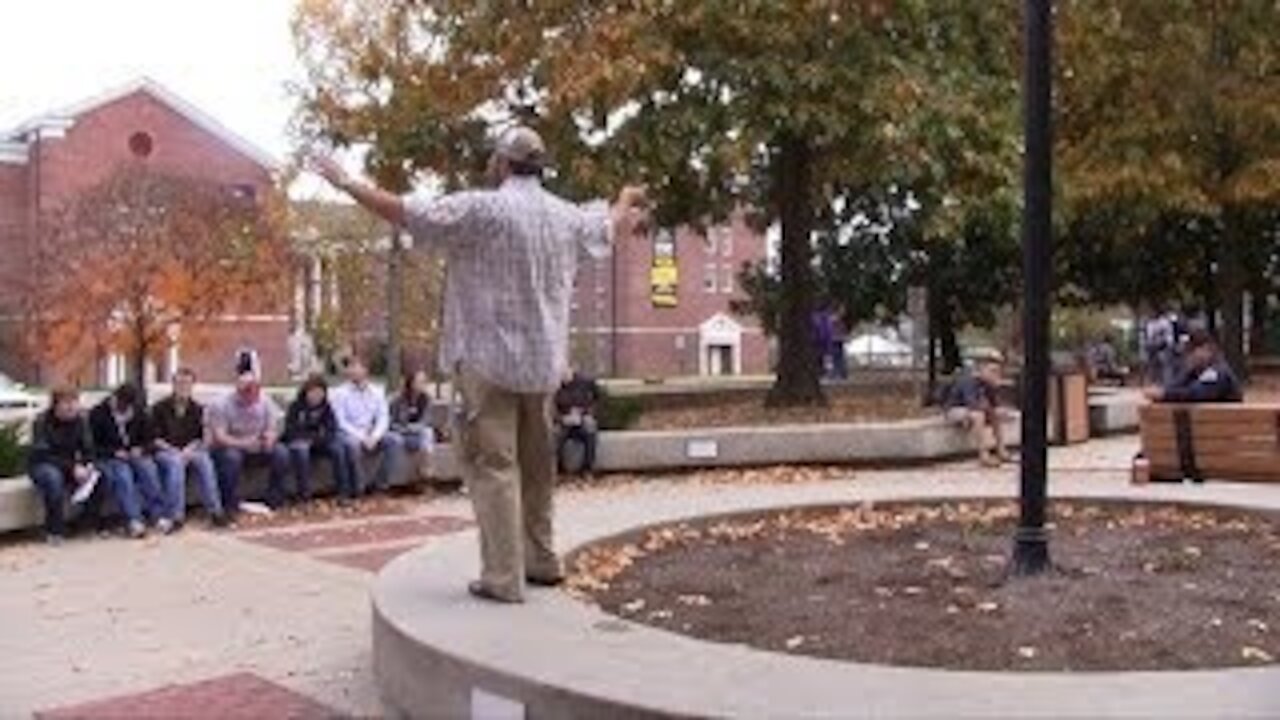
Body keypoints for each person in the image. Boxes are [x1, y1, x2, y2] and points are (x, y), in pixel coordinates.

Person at [313, 125, 646, 603]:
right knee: (537, 465)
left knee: (495, 467)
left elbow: (408, 213)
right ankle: (541, 559)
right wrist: (623, 199)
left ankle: (503, 576)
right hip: (542, 365)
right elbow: (606, 227)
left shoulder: (482, 209)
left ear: (502, 163)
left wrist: (346, 183)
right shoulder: (564, 216)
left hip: (486, 362)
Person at [88, 384, 168, 537]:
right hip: (110, 457)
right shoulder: (98, 414)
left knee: (148, 468)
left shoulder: (139, 412)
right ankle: (133, 519)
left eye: (129, 408)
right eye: (123, 407)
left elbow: (151, 439)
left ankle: (158, 515)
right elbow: (92, 447)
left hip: (134, 454)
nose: (126, 411)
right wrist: (115, 452)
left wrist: (141, 449)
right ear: (116, 400)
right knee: (123, 475)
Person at [151, 368, 227, 528]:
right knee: (175, 463)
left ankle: (215, 511)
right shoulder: (159, 408)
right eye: (179, 383)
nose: (183, 387)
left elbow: (202, 439)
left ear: (192, 386)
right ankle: (176, 515)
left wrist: (190, 449)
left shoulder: (198, 409)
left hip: (190, 450)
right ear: (173, 385)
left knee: (205, 461)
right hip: (165, 451)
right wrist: (174, 450)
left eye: (187, 384)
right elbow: (154, 438)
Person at [209, 371, 290, 515]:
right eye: (247, 393)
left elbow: (274, 427)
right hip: (231, 446)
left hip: (258, 445)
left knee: (281, 453)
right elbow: (219, 437)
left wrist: (270, 437)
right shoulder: (221, 404)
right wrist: (243, 443)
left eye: (255, 393)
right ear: (238, 391)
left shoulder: (265, 401)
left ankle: (274, 499)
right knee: (232, 458)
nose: (251, 399)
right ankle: (229, 503)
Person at [27, 387, 101, 543]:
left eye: (74, 403)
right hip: (43, 464)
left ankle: (87, 524)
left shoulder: (80, 421)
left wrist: (88, 465)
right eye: (66, 404)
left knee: (100, 475)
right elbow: (43, 454)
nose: (71, 407)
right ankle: (54, 529)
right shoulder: (42, 422)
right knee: (53, 478)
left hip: (69, 464)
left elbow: (88, 448)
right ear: (55, 406)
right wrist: (72, 467)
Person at [330, 355, 403, 495]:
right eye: (350, 367)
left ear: (365, 370)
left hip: (371, 432)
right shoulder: (339, 393)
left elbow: (383, 417)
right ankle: (359, 486)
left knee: (395, 440)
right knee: (352, 445)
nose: (352, 371)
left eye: (356, 367)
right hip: (349, 433)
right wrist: (362, 437)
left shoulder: (376, 391)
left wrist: (375, 436)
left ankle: (381, 484)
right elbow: (340, 421)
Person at [284, 374, 354, 504]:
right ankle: (304, 495)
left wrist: (318, 439)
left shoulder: (326, 408)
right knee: (301, 452)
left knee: (338, 449)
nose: (316, 396)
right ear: (306, 392)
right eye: (313, 392)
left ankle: (344, 492)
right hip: (300, 441)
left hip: (320, 442)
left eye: (320, 392)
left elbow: (331, 429)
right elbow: (290, 431)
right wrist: (307, 438)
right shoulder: (296, 407)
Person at [943, 357, 1011, 468]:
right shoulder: (969, 381)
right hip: (954, 410)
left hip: (972, 411)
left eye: (998, 371)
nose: (996, 374)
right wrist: (988, 408)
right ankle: (983, 455)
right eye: (992, 371)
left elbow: (994, 406)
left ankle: (1001, 449)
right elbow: (973, 405)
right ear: (981, 371)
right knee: (978, 416)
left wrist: (999, 411)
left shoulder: (988, 385)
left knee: (995, 415)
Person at [1144, 329, 1243, 404]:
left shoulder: (1217, 372)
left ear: (1207, 349)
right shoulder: (1195, 372)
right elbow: (1175, 386)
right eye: (1187, 352)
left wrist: (1164, 394)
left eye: (1191, 350)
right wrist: (1162, 391)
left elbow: (1196, 394)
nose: (1188, 356)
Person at [554, 369, 602, 474]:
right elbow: (551, 408)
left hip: (583, 417)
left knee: (590, 432)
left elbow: (598, 398)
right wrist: (560, 418)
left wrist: (589, 413)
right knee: (556, 436)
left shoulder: (585, 382)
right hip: (565, 421)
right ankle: (559, 469)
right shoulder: (555, 387)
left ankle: (587, 469)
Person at [390, 369, 437, 456]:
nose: (423, 385)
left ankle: (426, 466)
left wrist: (415, 428)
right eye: (420, 382)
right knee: (396, 440)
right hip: (400, 431)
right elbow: (391, 422)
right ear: (412, 383)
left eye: (424, 381)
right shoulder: (398, 399)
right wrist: (405, 429)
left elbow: (426, 420)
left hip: (417, 431)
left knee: (428, 433)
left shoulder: (426, 399)